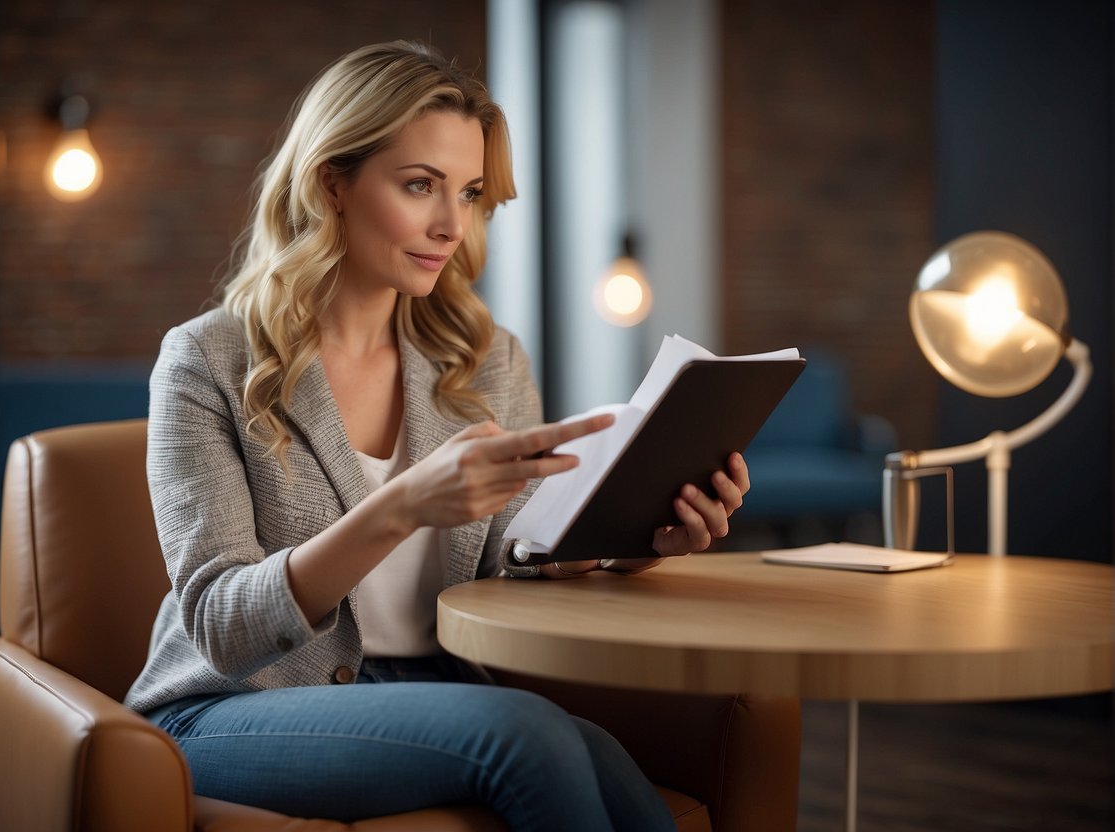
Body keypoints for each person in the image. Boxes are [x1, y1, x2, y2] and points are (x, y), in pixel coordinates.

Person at [125, 40, 751, 831]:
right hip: (227, 711)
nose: (451, 224)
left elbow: (512, 570)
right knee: (524, 735)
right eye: (419, 185)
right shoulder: (206, 360)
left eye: (470, 192)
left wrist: (631, 541)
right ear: (332, 183)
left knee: (585, 745)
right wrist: (401, 507)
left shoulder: (486, 361)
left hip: (432, 691)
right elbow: (220, 623)